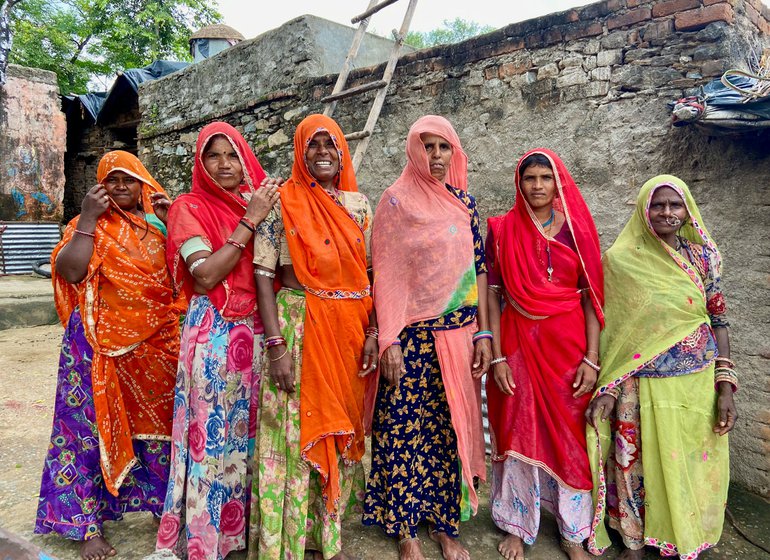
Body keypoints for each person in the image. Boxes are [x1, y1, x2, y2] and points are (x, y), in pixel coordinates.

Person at [35, 151, 183, 560]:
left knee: (159, 428)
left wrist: (174, 226)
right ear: (99, 186)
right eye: (112, 179)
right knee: (88, 431)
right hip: (96, 347)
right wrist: (85, 219)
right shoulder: (88, 226)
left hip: (155, 344)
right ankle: (87, 525)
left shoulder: (158, 227)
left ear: (143, 185)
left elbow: (180, 279)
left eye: (129, 179)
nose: (121, 187)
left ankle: (161, 508)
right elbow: (70, 271)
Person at [586, 175, 737, 559]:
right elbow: (614, 331)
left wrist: (725, 387)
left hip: (694, 382)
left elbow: (719, 319)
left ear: (688, 210)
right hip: (638, 383)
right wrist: (608, 387)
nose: (667, 212)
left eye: (675, 205)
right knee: (633, 464)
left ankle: (686, 534)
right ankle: (633, 541)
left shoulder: (704, 257)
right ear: (643, 210)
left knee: (689, 463)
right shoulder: (620, 262)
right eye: (658, 205)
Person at [248, 113, 376, 560]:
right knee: (294, 433)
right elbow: (264, 274)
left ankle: (329, 538)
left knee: (338, 432)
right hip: (299, 324)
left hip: (348, 331)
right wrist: (276, 344)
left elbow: (370, 273)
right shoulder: (284, 201)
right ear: (300, 152)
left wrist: (374, 332)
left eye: (331, 144)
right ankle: (288, 540)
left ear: (342, 152)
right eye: (313, 144)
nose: (323, 151)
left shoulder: (359, 205)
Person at [363, 115, 489, 560]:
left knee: (448, 431)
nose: (436, 157)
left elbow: (478, 272)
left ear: (455, 152)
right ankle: (404, 530)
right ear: (414, 150)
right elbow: (386, 273)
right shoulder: (396, 202)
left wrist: (483, 335)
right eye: (428, 147)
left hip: (457, 337)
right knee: (401, 429)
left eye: (444, 148)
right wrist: (389, 340)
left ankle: (444, 524)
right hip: (411, 340)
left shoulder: (465, 205)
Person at [156, 122, 280, 560]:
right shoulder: (187, 207)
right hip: (213, 333)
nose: (225, 164)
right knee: (209, 437)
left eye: (233, 155)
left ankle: (239, 534)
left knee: (248, 437)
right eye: (214, 156)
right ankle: (204, 542)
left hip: (259, 331)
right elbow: (205, 273)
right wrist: (250, 221)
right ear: (201, 163)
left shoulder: (259, 201)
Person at [485, 149, 604, 560]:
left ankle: (572, 530)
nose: (537, 185)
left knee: (569, 433)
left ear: (558, 183)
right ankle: (517, 525)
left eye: (545, 178)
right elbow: (493, 294)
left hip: (567, 348)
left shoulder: (577, 229)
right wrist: (497, 356)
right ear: (519, 183)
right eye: (529, 178)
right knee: (517, 426)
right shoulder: (501, 229)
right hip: (517, 342)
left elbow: (591, 299)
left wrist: (592, 358)